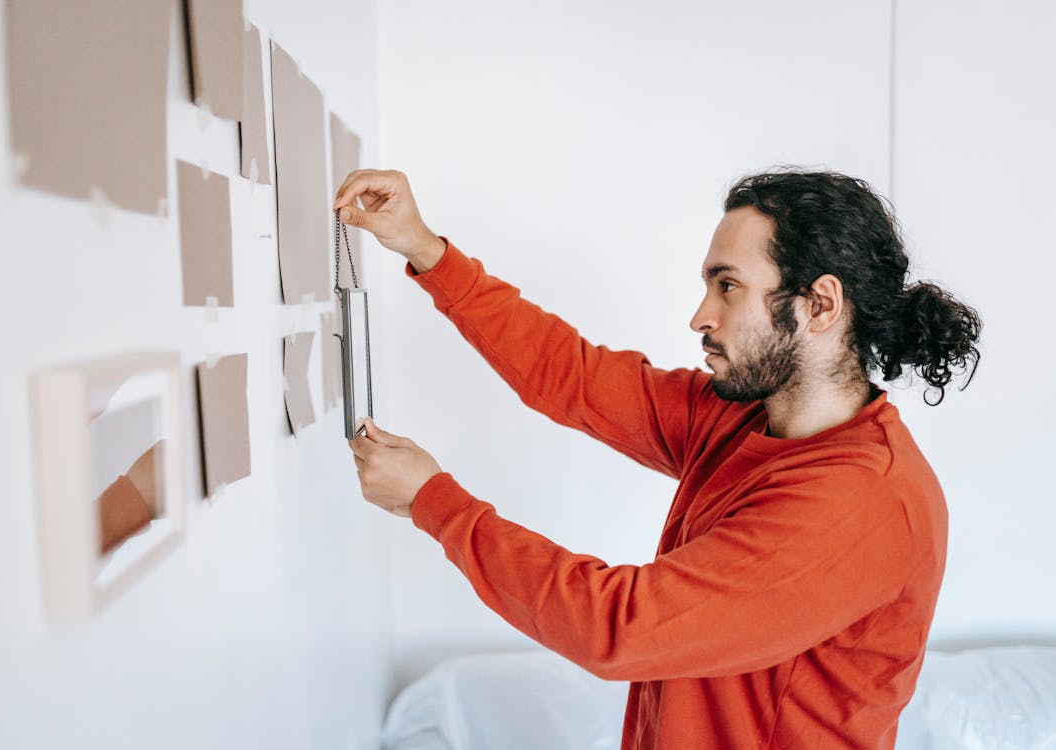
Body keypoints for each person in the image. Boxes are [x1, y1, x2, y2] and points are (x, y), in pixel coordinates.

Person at [336, 168, 981, 749]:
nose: (701, 316)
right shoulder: (742, 415)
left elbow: (617, 628)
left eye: (728, 287)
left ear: (819, 305)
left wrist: (435, 503)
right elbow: (574, 378)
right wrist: (425, 248)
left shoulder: (860, 502)